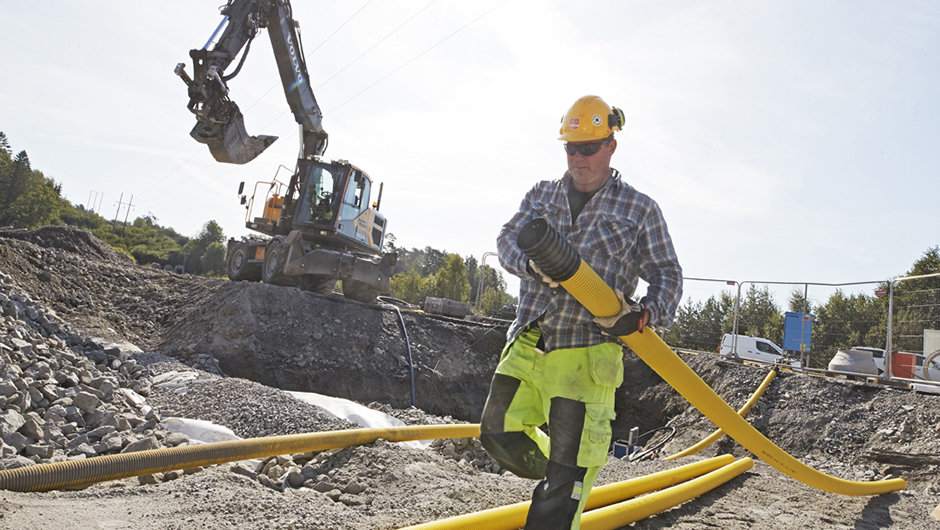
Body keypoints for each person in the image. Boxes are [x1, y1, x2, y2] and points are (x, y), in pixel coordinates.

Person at [480, 95, 683, 530]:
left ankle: (566, 480)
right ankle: (563, 471)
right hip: (531, 341)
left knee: (561, 489)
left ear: (611, 145)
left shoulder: (638, 209)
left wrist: (647, 312)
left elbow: (668, 274)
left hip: (587, 354)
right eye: (571, 147)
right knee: (497, 432)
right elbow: (506, 241)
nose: (578, 157)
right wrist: (531, 264)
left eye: (588, 147)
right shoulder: (541, 195)